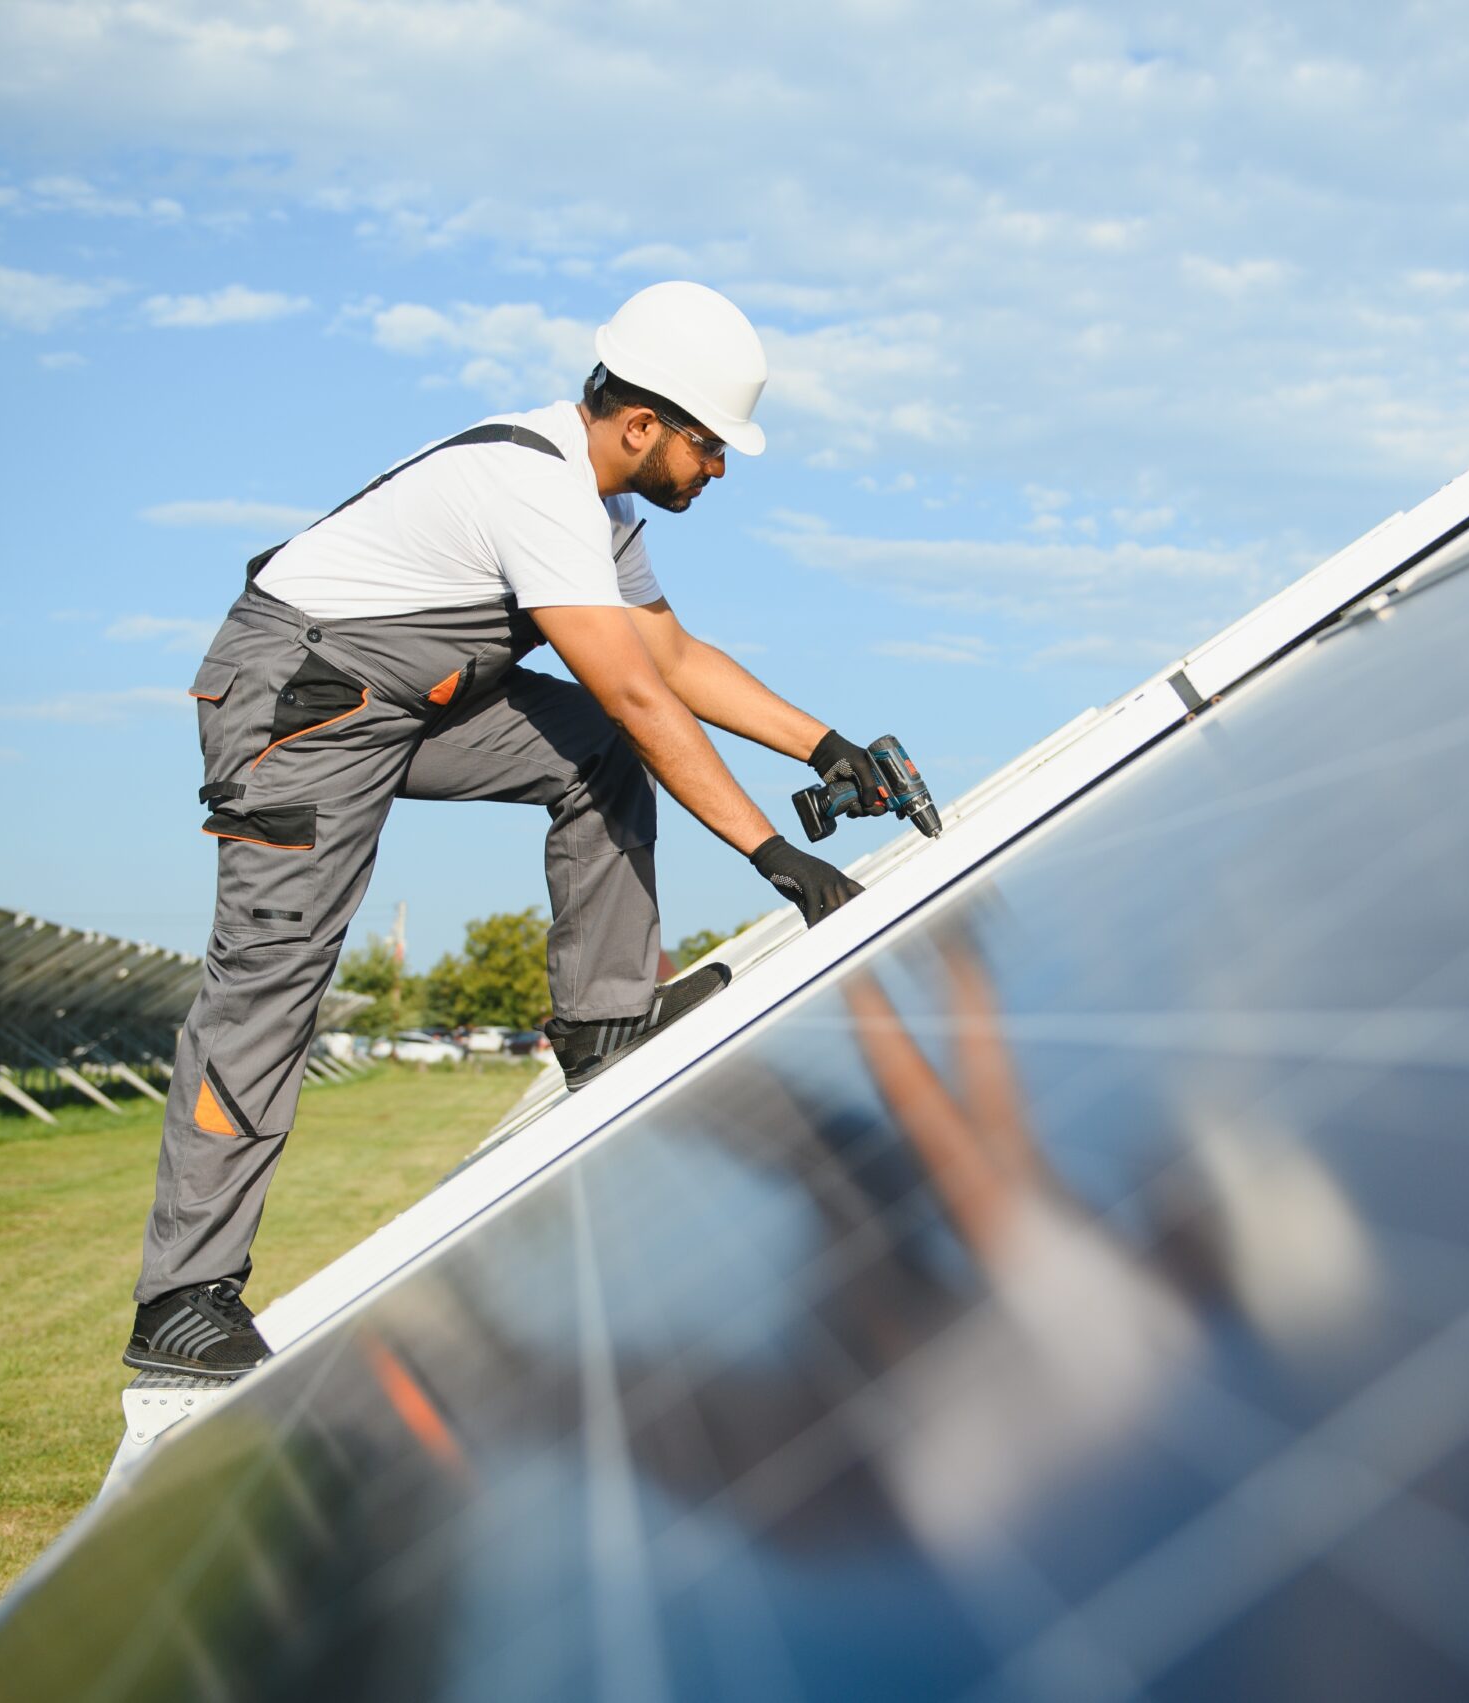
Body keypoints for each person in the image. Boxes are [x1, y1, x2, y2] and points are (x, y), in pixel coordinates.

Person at [125, 280, 896, 1380]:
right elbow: (637, 691)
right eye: (710, 446)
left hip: (408, 702)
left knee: (598, 745)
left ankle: (604, 1021)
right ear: (642, 425)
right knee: (269, 981)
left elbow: (671, 663)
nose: (717, 469)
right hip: (295, 704)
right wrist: (773, 856)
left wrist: (825, 746)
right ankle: (181, 1296)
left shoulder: (605, 509)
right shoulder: (532, 488)